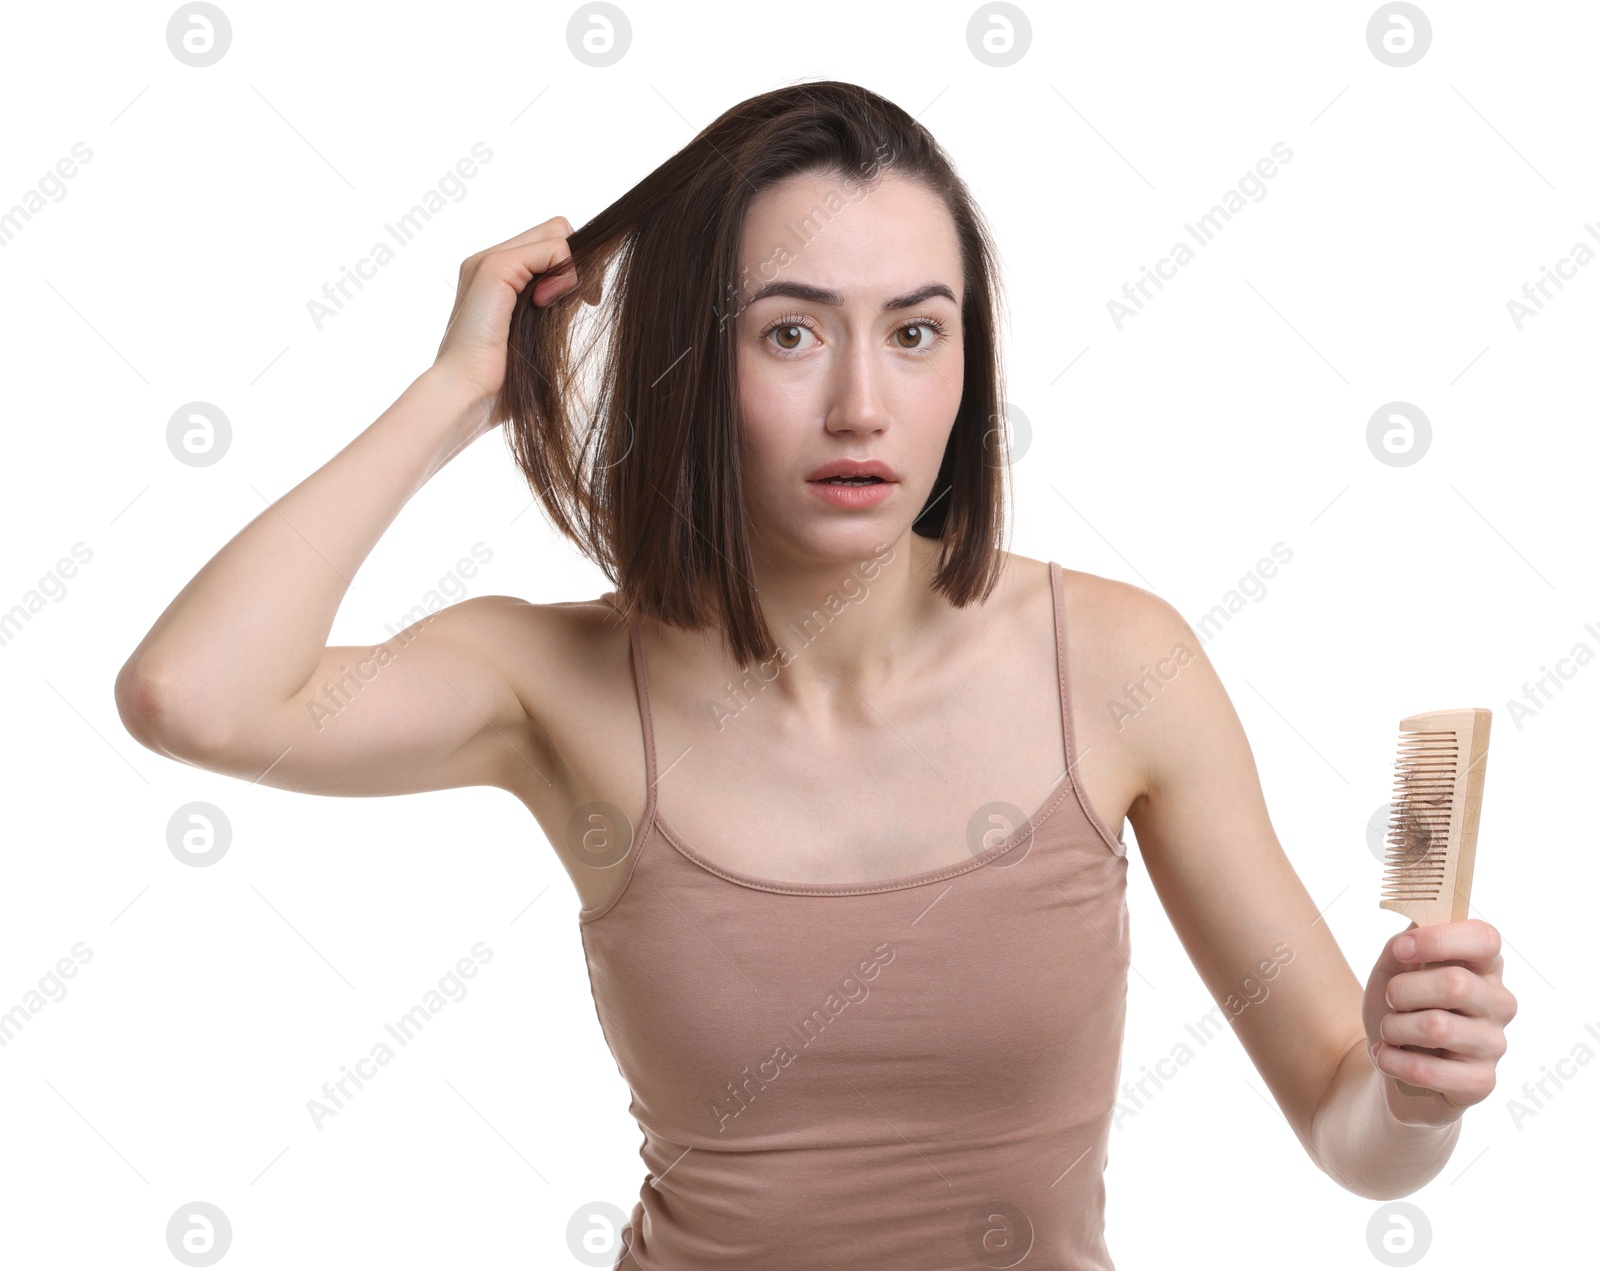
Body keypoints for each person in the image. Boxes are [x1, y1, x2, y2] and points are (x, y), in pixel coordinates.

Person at [114, 80, 1515, 1269]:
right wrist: (462, 392)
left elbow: (1356, 1136)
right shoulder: (552, 683)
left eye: (917, 332)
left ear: (970, 359)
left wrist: (1415, 1093)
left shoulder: (1119, 664)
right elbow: (196, 699)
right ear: (690, 357)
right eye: (790, 331)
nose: (863, 404)